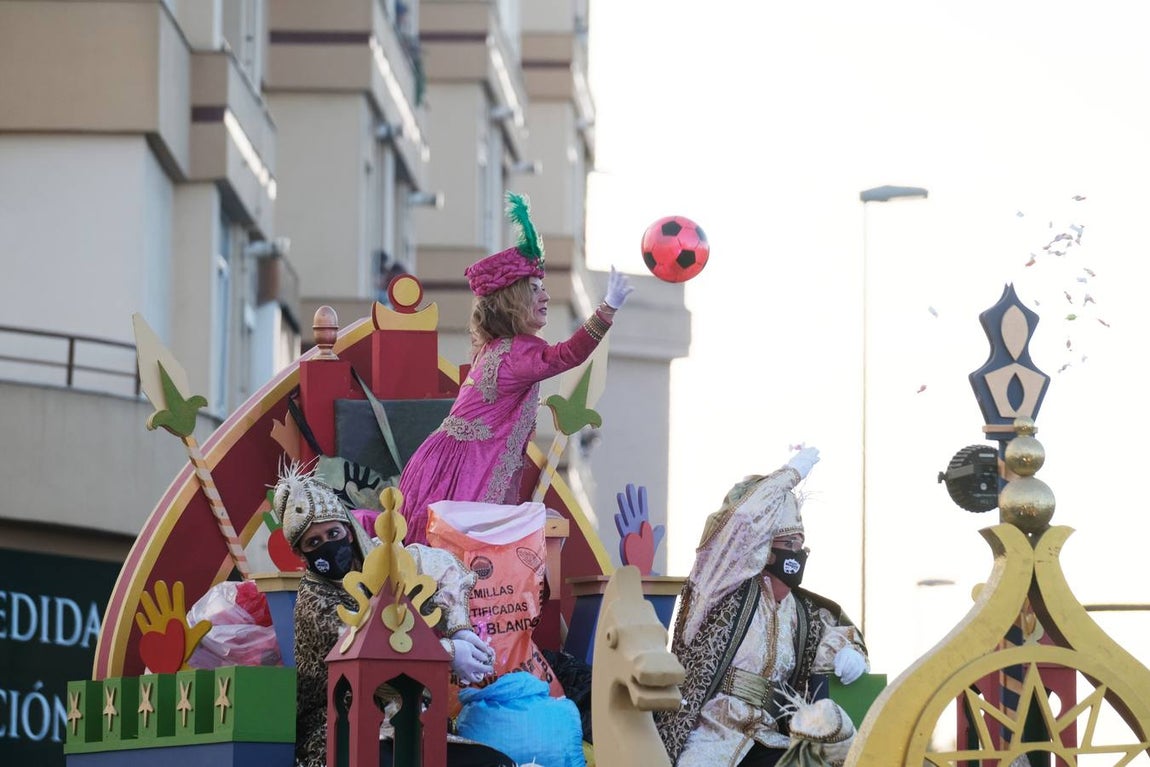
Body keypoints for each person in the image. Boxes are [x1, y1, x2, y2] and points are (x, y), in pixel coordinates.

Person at [398, 192, 633, 545]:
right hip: (466, 471)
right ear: (513, 300)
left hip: (443, 467)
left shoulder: (496, 349)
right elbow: (566, 356)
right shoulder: (518, 352)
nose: (546, 297)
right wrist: (606, 311)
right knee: (469, 563)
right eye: (535, 289)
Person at [273, 463, 514, 767]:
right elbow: (364, 646)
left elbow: (443, 569)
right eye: (314, 543)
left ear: (348, 530)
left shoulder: (381, 557)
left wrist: (459, 631)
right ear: (301, 554)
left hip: (409, 713)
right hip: (339, 723)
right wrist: (448, 653)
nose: (327, 546)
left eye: (333, 533)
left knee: (492, 762)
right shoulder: (314, 601)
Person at [655, 447, 869, 767]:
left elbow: (831, 638)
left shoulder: (804, 611)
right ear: (763, 548)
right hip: (712, 735)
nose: (797, 553)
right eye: (788, 545)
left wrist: (848, 652)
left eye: (801, 544)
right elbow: (741, 520)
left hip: (771, 734)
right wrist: (790, 474)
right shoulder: (722, 588)